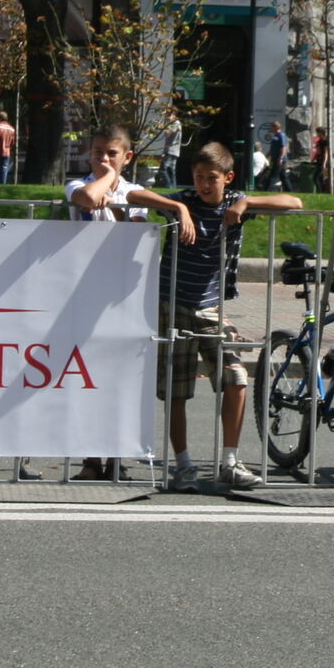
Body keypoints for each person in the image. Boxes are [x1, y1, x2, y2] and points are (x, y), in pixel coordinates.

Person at [133, 142, 300, 491]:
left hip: (210, 307)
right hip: (172, 304)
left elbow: (294, 203)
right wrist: (177, 207)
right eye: (198, 177)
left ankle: (230, 461)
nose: (204, 185)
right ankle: (184, 465)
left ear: (228, 177)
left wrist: (246, 202)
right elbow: (135, 195)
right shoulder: (187, 201)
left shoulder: (234, 202)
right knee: (177, 390)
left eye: (212, 178)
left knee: (236, 376)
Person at [61, 123, 150, 481]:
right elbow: (84, 199)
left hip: (120, 294)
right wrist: (104, 180)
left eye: (112, 154)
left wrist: (114, 190)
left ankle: (115, 456)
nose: (104, 158)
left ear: (128, 157)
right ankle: (89, 458)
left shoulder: (136, 191)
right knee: (85, 377)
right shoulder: (77, 182)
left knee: (118, 378)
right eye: (98, 152)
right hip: (81, 289)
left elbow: (133, 226)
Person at [0, 110, 17, 185]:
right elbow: (13, 142)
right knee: (4, 168)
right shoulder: (12, 129)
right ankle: (3, 184)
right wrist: (10, 149)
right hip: (6, 152)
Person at [264, 120, 289, 192]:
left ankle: (266, 190)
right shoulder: (275, 136)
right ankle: (289, 190)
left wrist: (281, 158)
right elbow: (273, 148)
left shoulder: (281, 135)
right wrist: (267, 155)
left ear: (276, 127)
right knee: (283, 177)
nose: (270, 129)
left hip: (279, 160)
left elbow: (283, 147)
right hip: (274, 159)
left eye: (272, 127)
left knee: (272, 176)